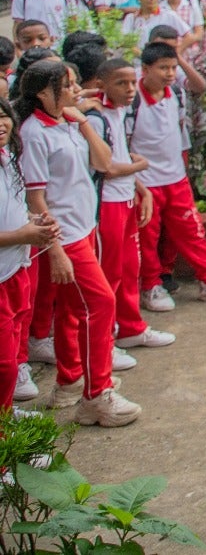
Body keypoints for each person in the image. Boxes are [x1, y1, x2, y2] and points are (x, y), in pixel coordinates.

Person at [16, 61, 140, 426]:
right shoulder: (35, 133)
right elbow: (35, 199)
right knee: (100, 304)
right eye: (67, 85)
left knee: (72, 311)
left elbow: (104, 164)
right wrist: (54, 250)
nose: (77, 91)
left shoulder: (70, 124)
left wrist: (82, 121)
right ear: (43, 93)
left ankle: (71, 381)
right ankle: (96, 394)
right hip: (64, 236)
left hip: (85, 227)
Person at [130, 42, 206, 309]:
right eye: (163, 68)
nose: (170, 73)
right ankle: (150, 286)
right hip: (146, 184)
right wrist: (136, 183)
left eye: (173, 67)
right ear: (146, 69)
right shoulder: (133, 101)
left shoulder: (176, 94)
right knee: (147, 238)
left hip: (175, 179)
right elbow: (124, 143)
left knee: (192, 232)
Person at [81, 59, 173, 354]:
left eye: (133, 82)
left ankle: (131, 329)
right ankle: (105, 342)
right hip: (106, 203)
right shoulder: (96, 118)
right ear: (102, 85)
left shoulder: (119, 111)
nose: (131, 89)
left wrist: (140, 188)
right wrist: (141, 166)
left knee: (128, 268)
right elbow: (104, 168)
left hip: (124, 199)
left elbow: (119, 152)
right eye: (121, 83)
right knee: (109, 273)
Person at [0, 97, 59, 411]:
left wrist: (32, 223)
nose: (0, 124)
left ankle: (6, 414)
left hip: (14, 268)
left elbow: (12, 210)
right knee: (4, 365)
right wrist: (22, 234)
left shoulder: (8, 156)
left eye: (3, 116)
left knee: (12, 348)